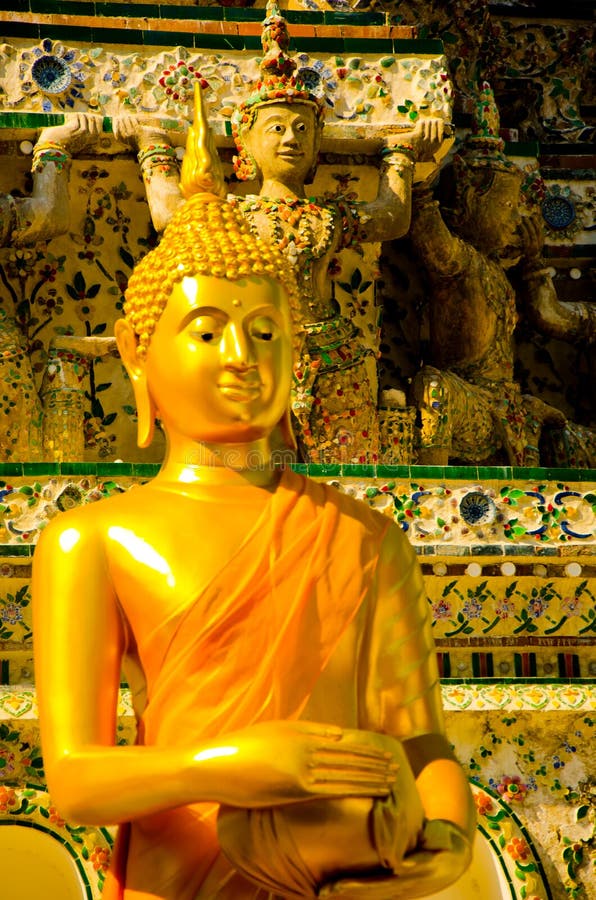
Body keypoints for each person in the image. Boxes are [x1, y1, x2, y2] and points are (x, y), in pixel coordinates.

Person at [32, 87, 474, 900]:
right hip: (184, 878)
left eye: (266, 331)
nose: (242, 355)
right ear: (138, 352)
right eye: (207, 331)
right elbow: (75, 779)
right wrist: (224, 765)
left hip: (344, 875)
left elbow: (421, 746)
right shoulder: (89, 541)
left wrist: (445, 841)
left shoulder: (364, 536)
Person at [408, 83, 566, 466]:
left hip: (505, 403)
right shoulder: (461, 261)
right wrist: (422, 167)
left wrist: (532, 260)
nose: (516, 219)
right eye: (508, 206)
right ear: (470, 202)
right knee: (433, 386)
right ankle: (434, 480)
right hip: (469, 398)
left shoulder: (497, 270)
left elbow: (548, 316)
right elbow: (426, 226)